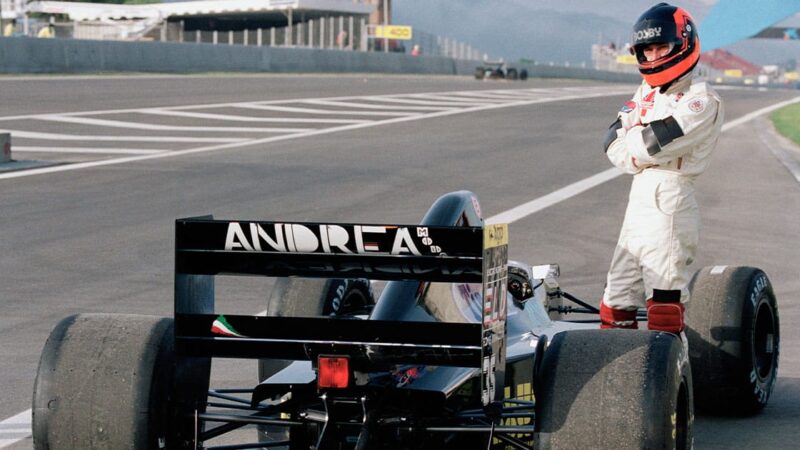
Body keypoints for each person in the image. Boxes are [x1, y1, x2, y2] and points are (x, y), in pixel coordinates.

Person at [600, 3, 724, 333]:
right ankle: (619, 363)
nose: (654, 56)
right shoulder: (647, 92)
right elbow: (611, 142)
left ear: (683, 44)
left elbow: (649, 145)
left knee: (664, 303)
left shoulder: (701, 100)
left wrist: (634, 141)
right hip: (638, 200)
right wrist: (636, 143)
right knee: (616, 300)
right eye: (648, 50)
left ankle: (671, 365)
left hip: (670, 200)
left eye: (662, 47)